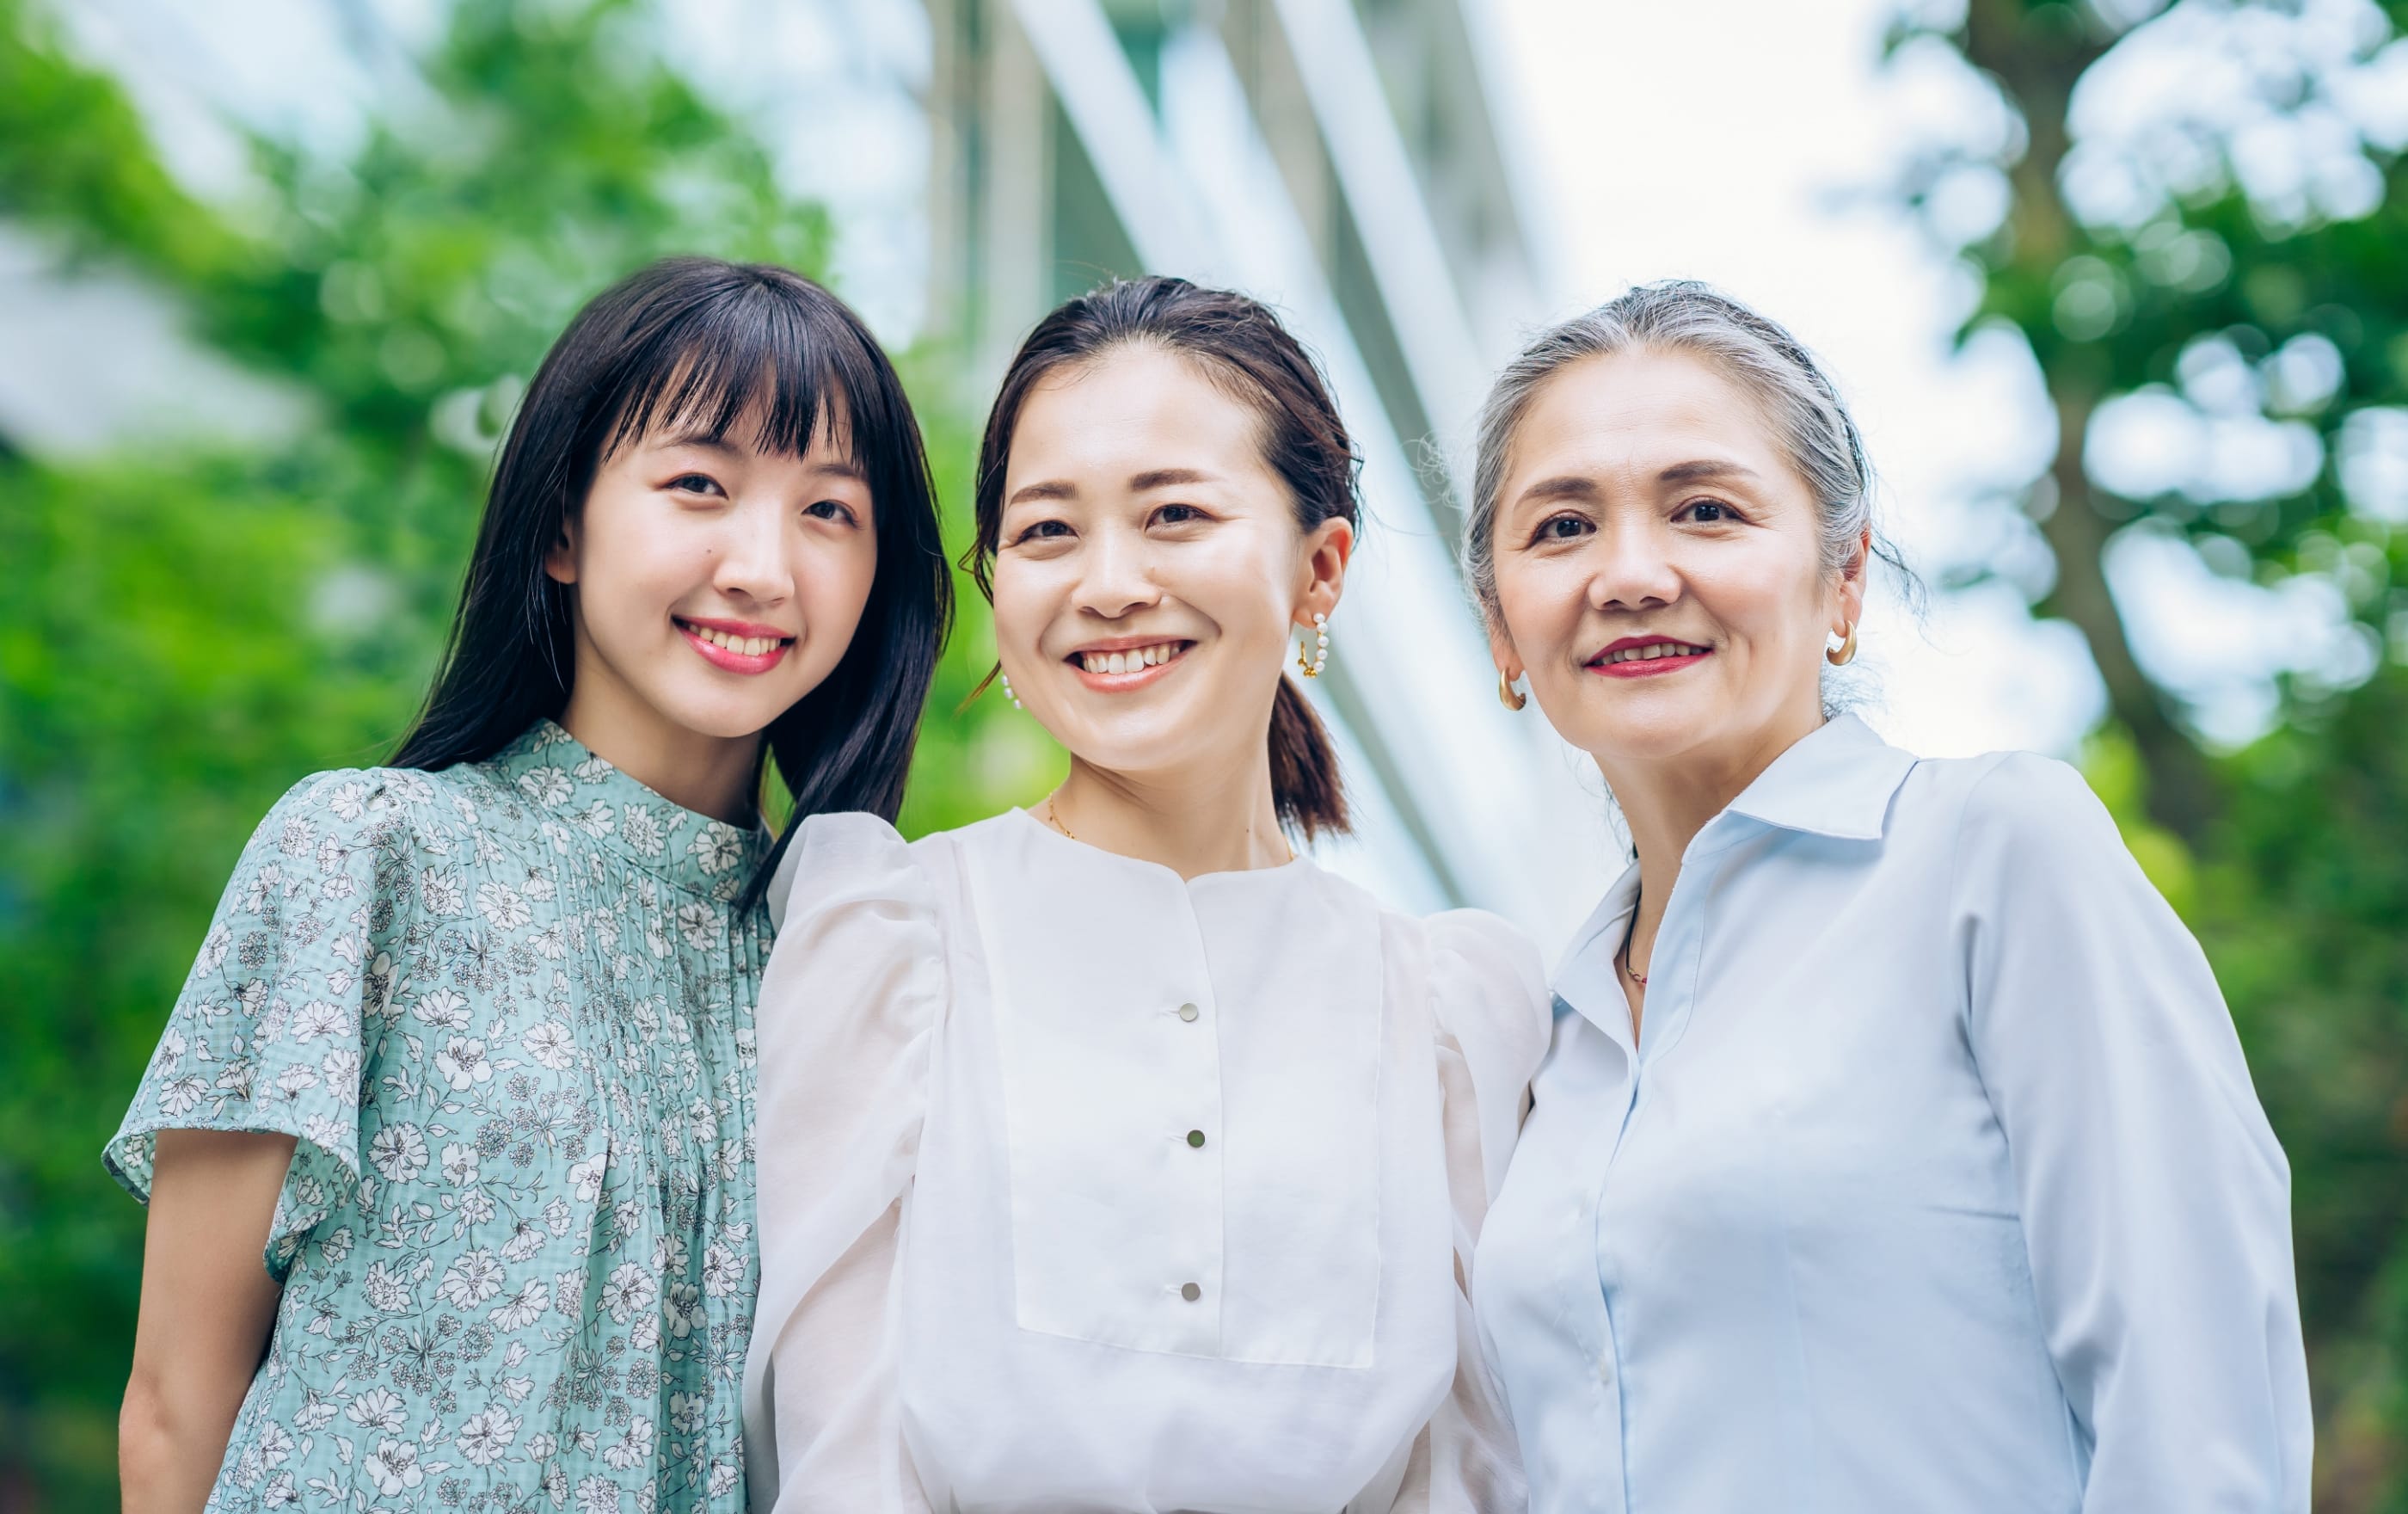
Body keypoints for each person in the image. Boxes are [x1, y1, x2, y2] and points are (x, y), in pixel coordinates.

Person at [110, 255, 952, 1514]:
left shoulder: (847, 959)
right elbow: (179, 1402)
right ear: (563, 526)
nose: (764, 568)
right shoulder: (369, 855)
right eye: (699, 487)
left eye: (830, 511)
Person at [1461, 280, 2313, 1511]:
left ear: (1845, 577)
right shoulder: (1549, 1036)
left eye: (1706, 510)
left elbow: (2199, 1417)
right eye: (1560, 529)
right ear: (1501, 626)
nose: (1631, 574)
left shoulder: (1992, 856)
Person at [741, 275, 1550, 1513]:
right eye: (1050, 531)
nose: (1108, 584)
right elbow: (838, 1461)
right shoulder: (890, 937)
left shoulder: (1449, 1005)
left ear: (1318, 570)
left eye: (1174, 515)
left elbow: (1477, 1471)